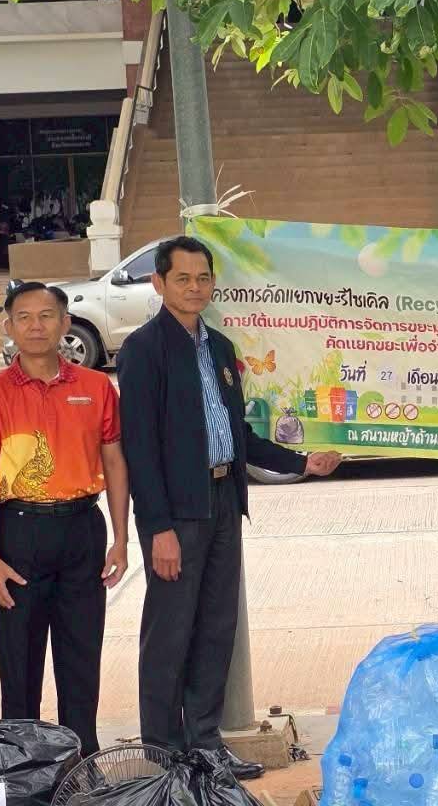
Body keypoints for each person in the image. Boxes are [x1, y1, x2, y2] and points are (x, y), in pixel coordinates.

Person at [119, 237, 343, 778]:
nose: (194, 288)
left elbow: (237, 434)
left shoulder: (218, 348)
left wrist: (300, 460)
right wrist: (158, 529)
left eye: (203, 278)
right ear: (159, 283)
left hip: (223, 501)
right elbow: (140, 448)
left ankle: (205, 743)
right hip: (178, 511)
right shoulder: (144, 350)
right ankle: (165, 753)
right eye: (182, 279)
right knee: (171, 631)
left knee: (216, 627)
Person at [0, 282, 130, 756]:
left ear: (64, 323)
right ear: (9, 327)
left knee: (81, 656)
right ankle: (23, 764)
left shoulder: (97, 387)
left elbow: (115, 463)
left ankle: (83, 759)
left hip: (82, 527)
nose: (35, 326)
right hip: (18, 530)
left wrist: (120, 539)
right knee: (19, 660)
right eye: (24, 317)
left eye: (46, 316)